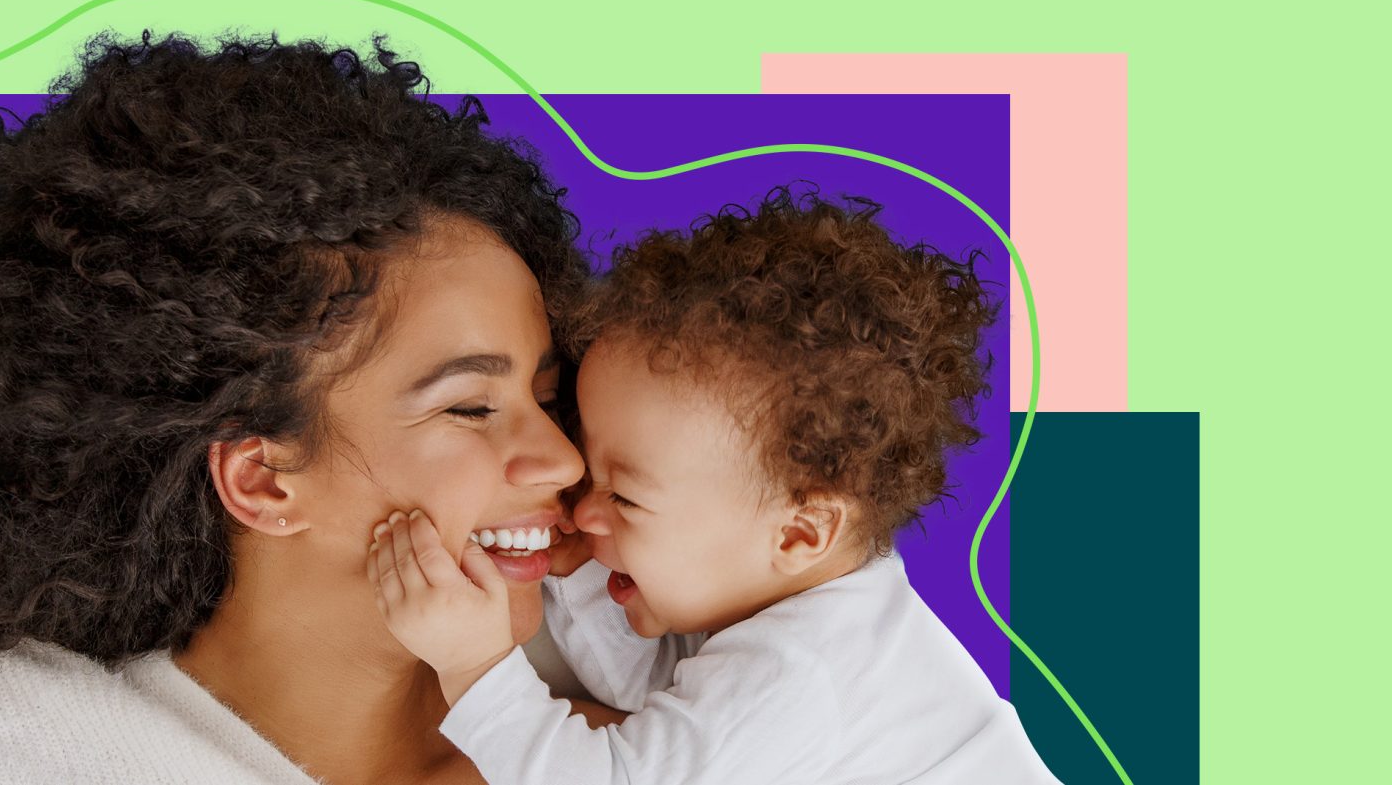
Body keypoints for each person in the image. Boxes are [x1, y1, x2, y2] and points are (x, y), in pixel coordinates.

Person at [0, 32, 601, 784]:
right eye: (470, 407)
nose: (565, 457)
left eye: (544, 396)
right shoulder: (26, 750)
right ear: (262, 480)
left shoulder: (655, 750)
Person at [366, 190, 1062, 783]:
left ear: (798, 531)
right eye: (594, 468)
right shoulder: (802, 598)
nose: (583, 505)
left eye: (627, 497)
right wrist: (579, 580)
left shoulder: (806, 671)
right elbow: (666, 700)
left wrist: (474, 664)